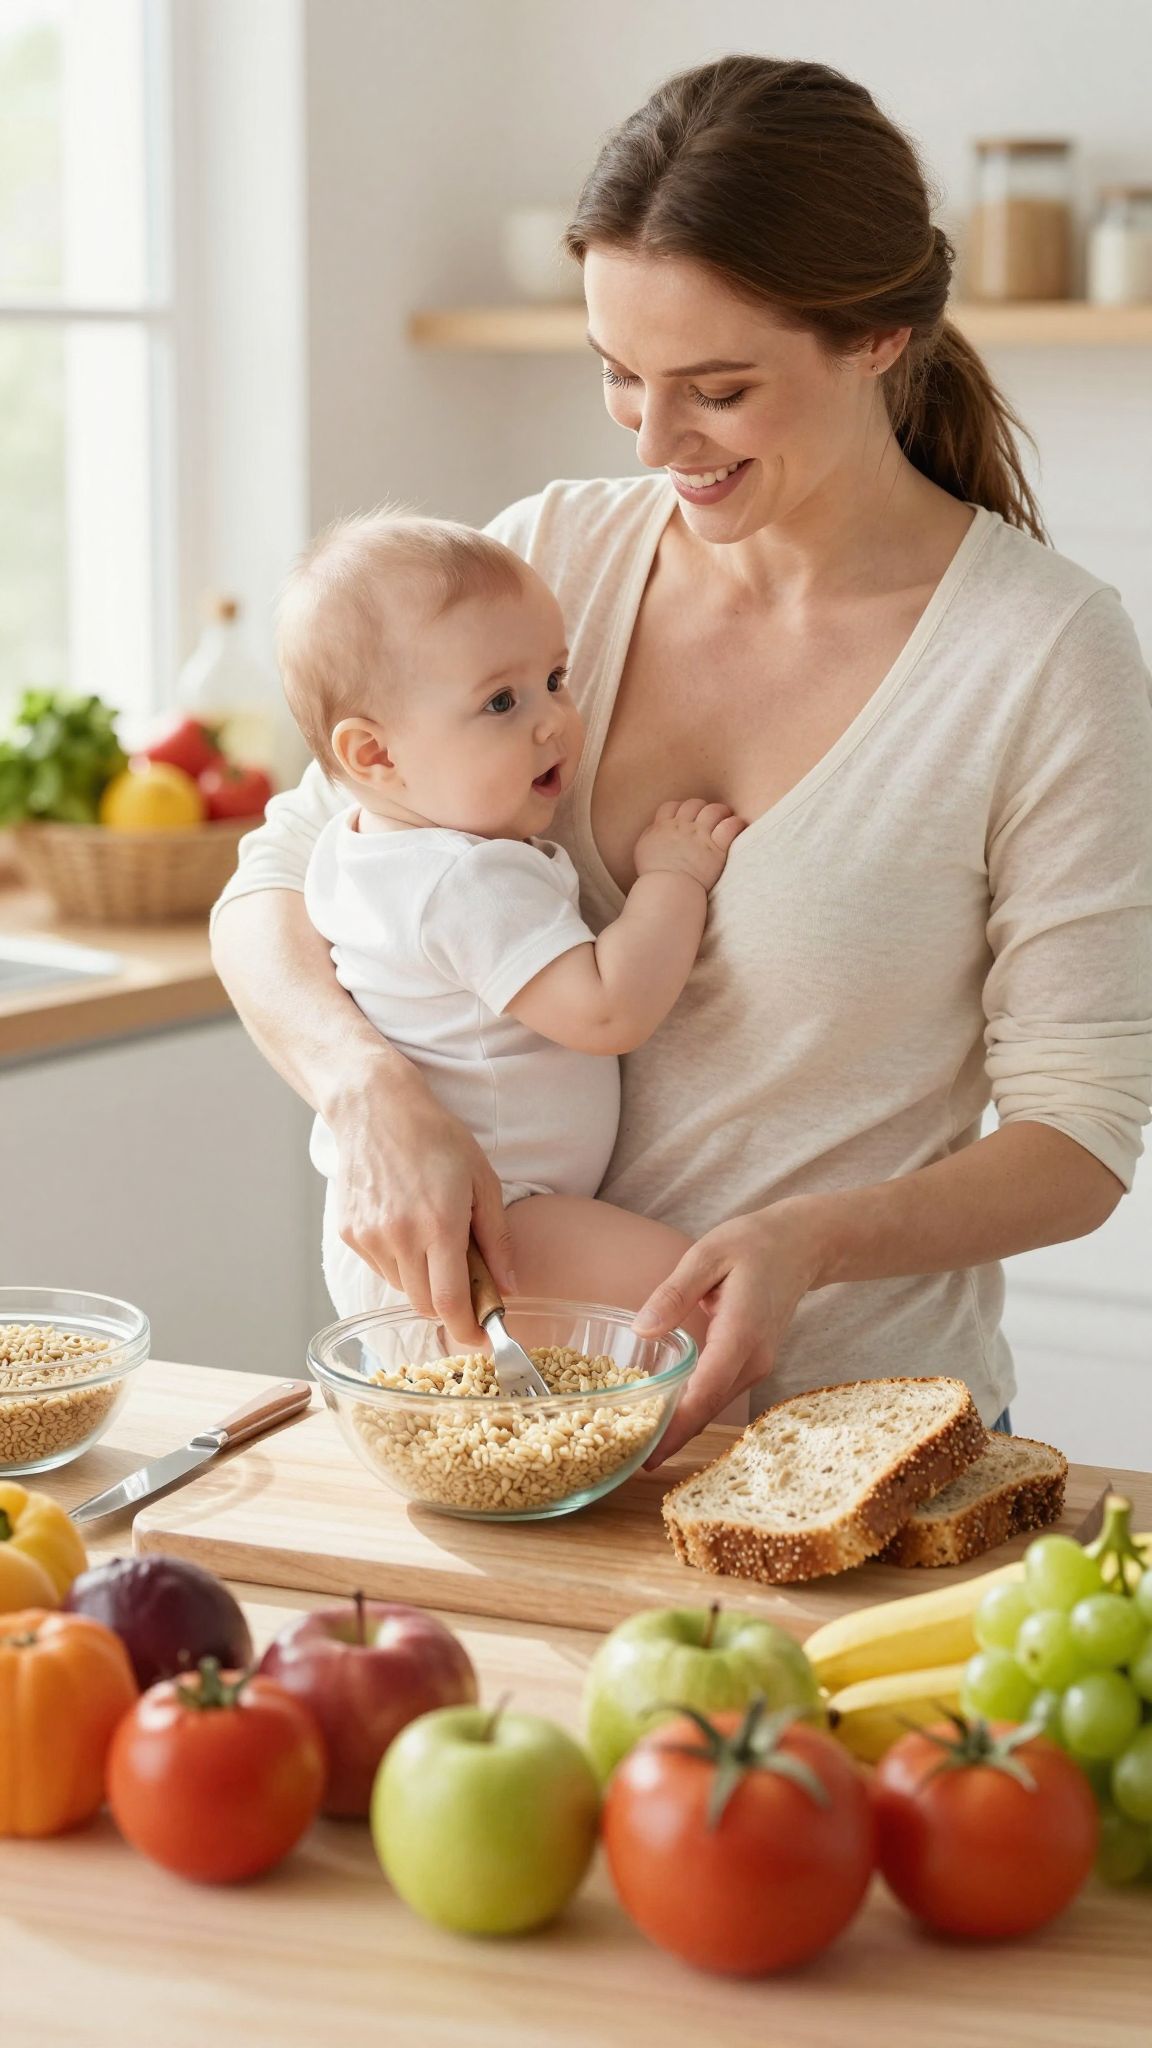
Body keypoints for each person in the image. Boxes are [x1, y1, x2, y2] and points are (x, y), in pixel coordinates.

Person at [211, 54, 1152, 1467]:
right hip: (511, 1424)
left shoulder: (1040, 657)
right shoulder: (548, 558)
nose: (657, 442)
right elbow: (281, 877)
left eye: (715, 388)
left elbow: (1080, 1140)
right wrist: (364, 1086)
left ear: (881, 336)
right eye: (618, 376)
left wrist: (804, 1244)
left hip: (842, 1441)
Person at [274, 505, 742, 1333]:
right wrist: (672, 877)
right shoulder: (463, 878)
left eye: (555, 680)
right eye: (500, 702)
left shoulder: (358, 849)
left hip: (422, 1222)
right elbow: (609, 1008)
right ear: (375, 756)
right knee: (696, 1306)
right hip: (491, 1221)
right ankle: (705, 1469)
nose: (552, 720)